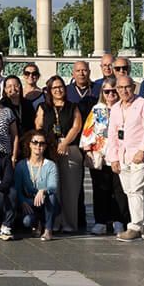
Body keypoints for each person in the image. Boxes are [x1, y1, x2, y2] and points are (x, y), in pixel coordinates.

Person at [104, 71, 144, 241]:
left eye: (127, 87)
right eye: (120, 88)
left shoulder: (143, 104)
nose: (124, 91)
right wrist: (113, 158)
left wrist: (143, 150)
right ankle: (141, 224)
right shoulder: (116, 108)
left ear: (133, 87)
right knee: (128, 190)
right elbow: (112, 134)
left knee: (136, 189)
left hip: (138, 154)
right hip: (122, 154)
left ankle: (135, 226)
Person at [36, 74, 83, 233]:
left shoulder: (72, 106)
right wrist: (48, 144)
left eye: (61, 87)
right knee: (52, 188)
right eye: (54, 87)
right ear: (49, 90)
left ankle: (69, 223)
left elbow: (76, 127)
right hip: (49, 150)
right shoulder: (43, 107)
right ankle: (53, 222)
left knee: (70, 190)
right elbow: (39, 127)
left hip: (69, 148)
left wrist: (65, 142)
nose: (58, 90)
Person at [81, 77, 122, 235]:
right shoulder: (98, 109)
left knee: (119, 190)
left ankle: (119, 220)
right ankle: (101, 221)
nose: (110, 94)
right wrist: (88, 149)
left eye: (114, 91)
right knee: (100, 190)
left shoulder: (123, 108)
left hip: (119, 155)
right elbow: (88, 130)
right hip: (100, 156)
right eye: (107, 91)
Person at [14, 130, 58, 240]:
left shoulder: (50, 165)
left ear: (45, 146)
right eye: (35, 142)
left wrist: (43, 191)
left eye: (42, 143)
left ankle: (48, 229)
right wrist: (22, 201)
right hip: (30, 202)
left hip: (46, 203)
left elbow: (53, 186)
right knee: (27, 221)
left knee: (51, 196)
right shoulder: (21, 165)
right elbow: (17, 188)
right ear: (29, 144)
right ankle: (37, 224)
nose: (38, 146)